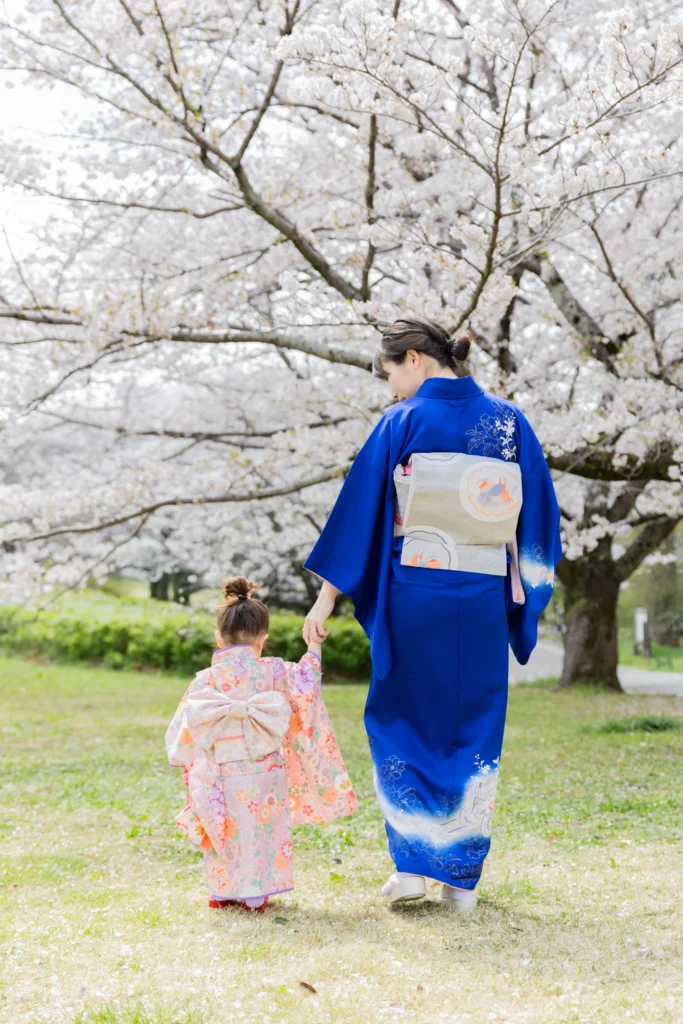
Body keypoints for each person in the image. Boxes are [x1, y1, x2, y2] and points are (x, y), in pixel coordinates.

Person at [302, 317, 562, 911]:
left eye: (391, 373)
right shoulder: (507, 421)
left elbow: (359, 514)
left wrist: (326, 597)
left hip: (413, 588)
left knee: (400, 720)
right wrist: (525, 595)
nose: (390, 388)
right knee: (471, 727)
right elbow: (539, 518)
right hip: (479, 597)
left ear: (415, 359)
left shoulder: (403, 421)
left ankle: (413, 869)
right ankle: (460, 881)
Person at [166, 575, 356, 912]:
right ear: (262, 641)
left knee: (220, 822)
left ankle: (222, 891)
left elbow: (184, 730)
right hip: (265, 770)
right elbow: (307, 681)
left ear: (218, 638)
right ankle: (256, 894)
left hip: (218, 772)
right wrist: (313, 645)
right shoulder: (274, 671)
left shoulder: (205, 680)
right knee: (260, 828)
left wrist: (189, 761)